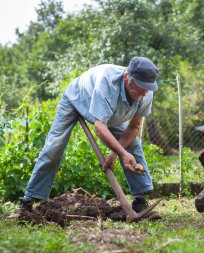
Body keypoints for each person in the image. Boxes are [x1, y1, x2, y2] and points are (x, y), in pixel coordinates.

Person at [19, 56, 160, 218]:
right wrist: (122, 152)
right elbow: (100, 128)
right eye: (141, 86)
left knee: (132, 145)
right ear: (127, 76)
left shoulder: (146, 94)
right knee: (54, 147)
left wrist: (115, 153)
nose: (144, 92)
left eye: (148, 88)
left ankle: (140, 200)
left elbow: (134, 127)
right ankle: (30, 198)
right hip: (76, 98)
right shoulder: (106, 84)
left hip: (108, 113)